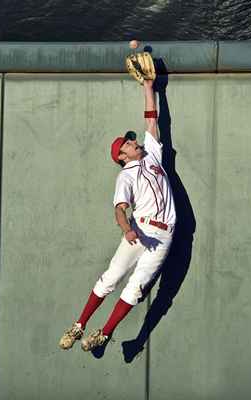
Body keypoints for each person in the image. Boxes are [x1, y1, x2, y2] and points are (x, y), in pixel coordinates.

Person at [59, 76, 176, 352]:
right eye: (127, 143)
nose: (133, 142)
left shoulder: (152, 156)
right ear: (122, 155)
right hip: (140, 232)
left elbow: (151, 119)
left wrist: (148, 87)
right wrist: (126, 229)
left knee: (135, 289)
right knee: (111, 278)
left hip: (164, 235)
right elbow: (120, 209)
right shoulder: (125, 176)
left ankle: (105, 334)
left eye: (131, 141)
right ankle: (79, 325)